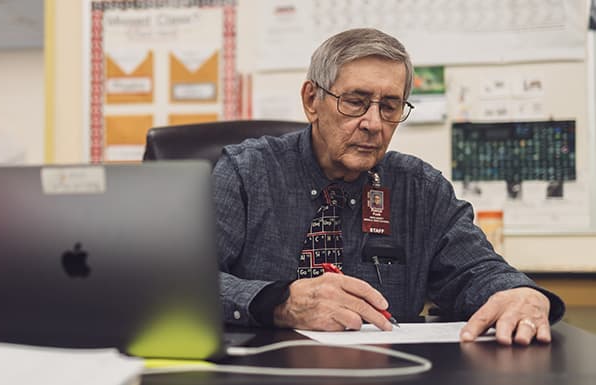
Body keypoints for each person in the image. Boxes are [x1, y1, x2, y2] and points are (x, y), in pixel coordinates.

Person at [212, 28, 564, 345]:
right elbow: (180, 284)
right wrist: (278, 302)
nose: (373, 123)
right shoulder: (246, 172)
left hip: (391, 369)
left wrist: (519, 293)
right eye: (355, 102)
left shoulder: (419, 189)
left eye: (390, 106)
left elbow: (477, 270)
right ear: (311, 101)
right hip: (262, 369)